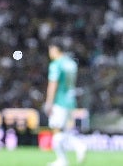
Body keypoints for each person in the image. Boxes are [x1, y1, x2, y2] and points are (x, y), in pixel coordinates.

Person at [43, 37, 87, 166]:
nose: (49, 52)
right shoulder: (71, 63)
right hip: (70, 101)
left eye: (50, 49)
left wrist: (49, 102)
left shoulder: (56, 64)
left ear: (55, 49)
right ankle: (63, 159)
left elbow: (53, 84)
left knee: (57, 130)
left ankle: (76, 148)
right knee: (64, 130)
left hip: (60, 101)